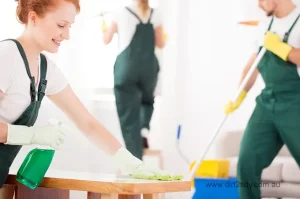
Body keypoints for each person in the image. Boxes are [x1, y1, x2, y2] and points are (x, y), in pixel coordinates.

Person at [0, 0, 179, 187]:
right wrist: (32, 135)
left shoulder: (46, 70)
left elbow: (88, 123)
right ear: (33, 18)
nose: (67, 35)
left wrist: (133, 164)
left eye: (70, 26)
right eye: (61, 25)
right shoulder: (6, 56)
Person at [224, 0, 300, 198]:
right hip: (267, 103)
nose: (258, 5)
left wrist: (282, 48)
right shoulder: (264, 25)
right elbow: (253, 65)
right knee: (247, 161)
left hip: (295, 102)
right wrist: (239, 95)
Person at [101, 0, 166, 159]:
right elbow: (161, 43)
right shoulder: (155, 13)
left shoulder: (121, 12)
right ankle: (144, 129)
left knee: (128, 112)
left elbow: (106, 39)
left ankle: (135, 158)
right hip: (148, 67)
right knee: (147, 101)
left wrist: (103, 27)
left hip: (127, 66)